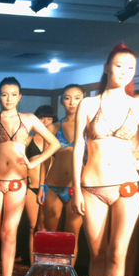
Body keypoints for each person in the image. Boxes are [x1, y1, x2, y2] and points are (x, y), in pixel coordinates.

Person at [0, 77, 59, 276]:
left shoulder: (29, 119)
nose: (8, 98)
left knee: (9, 234)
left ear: (20, 96)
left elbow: (54, 143)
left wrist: (34, 162)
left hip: (17, 182)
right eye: (4, 94)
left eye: (13, 94)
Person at [72, 43, 139, 276]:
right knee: (98, 256)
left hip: (126, 186)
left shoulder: (138, 105)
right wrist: (76, 190)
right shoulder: (88, 104)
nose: (125, 72)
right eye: (119, 66)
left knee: (117, 256)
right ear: (106, 67)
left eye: (131, 68)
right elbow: (77, 148)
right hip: (92, 187)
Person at [39, 86, 85, 262]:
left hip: (77, 187)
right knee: (53, 236)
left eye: (77, 98)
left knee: (72, 237)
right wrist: (41, 185)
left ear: (83, 100)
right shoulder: (53, 127)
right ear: (61, 101)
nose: (72, 102)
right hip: (53, 185)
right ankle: (52, 273)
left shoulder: (88, 127)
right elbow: (44, 160)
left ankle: (67, 275)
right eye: (67, 98)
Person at [24, 104, 55, 258]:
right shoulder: (28, 139)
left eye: (49, 118)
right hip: (31, 187)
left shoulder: (56, 140)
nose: (45, 121)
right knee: (32, 227)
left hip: (50, 188)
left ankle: (45, 263)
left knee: (44, 228)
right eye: (42, 117)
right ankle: (33, 265)